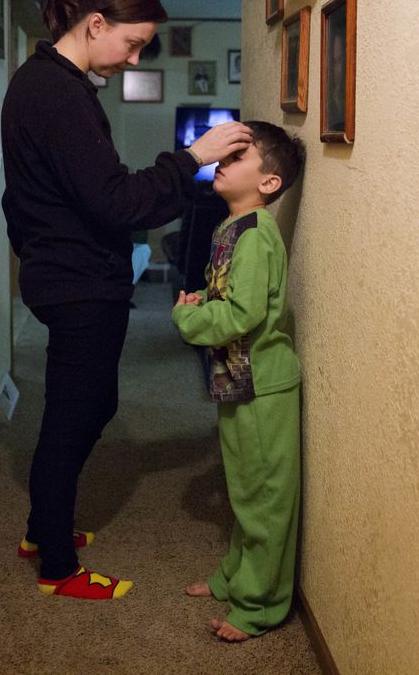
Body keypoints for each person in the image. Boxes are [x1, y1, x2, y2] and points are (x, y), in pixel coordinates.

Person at [0, 0, 252, 600]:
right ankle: (56, 565)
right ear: (94, 24)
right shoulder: (55, 94)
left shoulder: (55, 85)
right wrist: (194, 156)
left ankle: (42, 525)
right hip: (77, 283)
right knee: (71, 415)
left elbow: (33, 197)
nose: (134, 56)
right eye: (132, 43)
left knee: (91, 405)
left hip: (72, 276)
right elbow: (116, 201)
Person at [171, 120, 305, 641]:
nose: (222, 161)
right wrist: (204, 301)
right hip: (237, 379)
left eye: (237, 157)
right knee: (244, 490)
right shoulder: (232, 227)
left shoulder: (255, 235)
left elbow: (244, 315)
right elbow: (228, 296)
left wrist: (188, 321)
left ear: (268, 183)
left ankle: (259, 605)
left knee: (266, 499)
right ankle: (235, 577)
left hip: (263, 385)